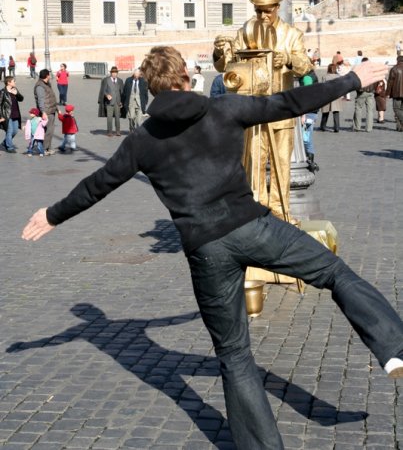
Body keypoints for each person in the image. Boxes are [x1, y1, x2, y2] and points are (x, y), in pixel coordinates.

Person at [21, 47, 403, 450]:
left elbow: (98, 185)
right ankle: (393, 347)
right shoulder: (224, 109)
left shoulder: (142, 140)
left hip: (206, 251)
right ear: (186, 76)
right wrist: (352, 79)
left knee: (234, 355)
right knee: (334, 273)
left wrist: (53, 215)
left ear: (151, 88)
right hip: (254, 228)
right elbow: (291, 102)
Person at [213, 0, 313, 220]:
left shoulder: (292, 35)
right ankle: (255, 212)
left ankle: (279, 211)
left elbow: (305, 67)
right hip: (253, 112)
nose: (262, 15)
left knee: (282, 165)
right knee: (253, 164)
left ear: (277, 7)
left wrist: (287, 59)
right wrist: (219, 51)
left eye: (267, 10)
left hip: (281, 111)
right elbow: (226, 67)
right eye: (258, 10)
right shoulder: (246, 32)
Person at [299, 70, 319, 172]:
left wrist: (303, 114)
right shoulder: (310, 75)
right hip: (312, 112)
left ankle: (311, 164)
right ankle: (310, 162)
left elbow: (306, 96)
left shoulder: (307, 77)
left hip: (308, 113)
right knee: (306, 137)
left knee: (306, 138)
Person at [34, 69, 58, 155]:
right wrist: (43, 112)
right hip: (47, 111)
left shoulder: (46, 84)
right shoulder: (40, 86)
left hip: (51, 109)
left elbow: (51, 97)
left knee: (49, 131)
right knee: (48, 131)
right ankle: (44, 149)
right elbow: (40, 100)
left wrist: (57, 108)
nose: (50, 76)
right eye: (49, 75)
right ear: (47, 76)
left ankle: (48, 148)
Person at [98, 66, 124, 137]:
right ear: (111, 73)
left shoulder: (120, 81)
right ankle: (109, 132)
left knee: (117, 117)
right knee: (109, 118)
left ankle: (118, 131)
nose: (114, 74)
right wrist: (107, 95)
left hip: (117, 102)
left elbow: (122, 92)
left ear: (117, 73)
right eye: (113, 73)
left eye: (116, 73)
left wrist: (122, 101)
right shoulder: (106, 80)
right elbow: (103, 90)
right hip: (109, 102)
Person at [0, 76, 24, 153]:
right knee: (9, 130)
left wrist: (17, 94)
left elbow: (21, 99)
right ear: (8, 82)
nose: (15, 82)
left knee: (15, 131)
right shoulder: (3, 92)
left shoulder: (14, 89)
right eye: (13, 81)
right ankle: (9, 147)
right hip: (7, 115)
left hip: (15, 114)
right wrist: (1, 116)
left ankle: (5, 142)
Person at [353, 57, 375, 132]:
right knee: (370, 110)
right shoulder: (372, 71)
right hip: (370, 92)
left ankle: (357, 127)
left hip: (361, 92)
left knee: (358, 108)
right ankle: (369, 128)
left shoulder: (359, 71)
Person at [320, 64, 343, 132]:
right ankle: (337, 127)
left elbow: (322, 87)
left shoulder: (325, 76)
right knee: (336, 112)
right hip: (336, 95)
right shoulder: (339, 77)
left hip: (327, 95)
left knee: (325, 112)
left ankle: (323, 126)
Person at [386, 55, 403, 132]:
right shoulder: (394, 68)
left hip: (397, 93)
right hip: (397, 93)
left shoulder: (394, 69)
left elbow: (390, 82)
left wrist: (387, 93)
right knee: (401, 109)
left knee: (396, 109)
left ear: (397, 60)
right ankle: (400, 127)